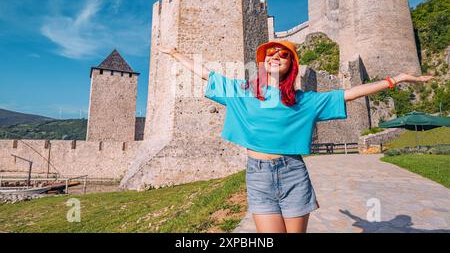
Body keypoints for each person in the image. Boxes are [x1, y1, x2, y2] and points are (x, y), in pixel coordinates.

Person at [156, 40, 434, 233]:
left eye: (283, 54)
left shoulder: (304, 102)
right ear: (263, 63)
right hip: (258, 176)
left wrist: (395, 79)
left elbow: (349, 94)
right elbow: (207, 75)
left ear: (291, 65)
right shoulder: (243, 91)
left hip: (293, 174)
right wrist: (175, 53)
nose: (275, 56)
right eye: (271, 54)